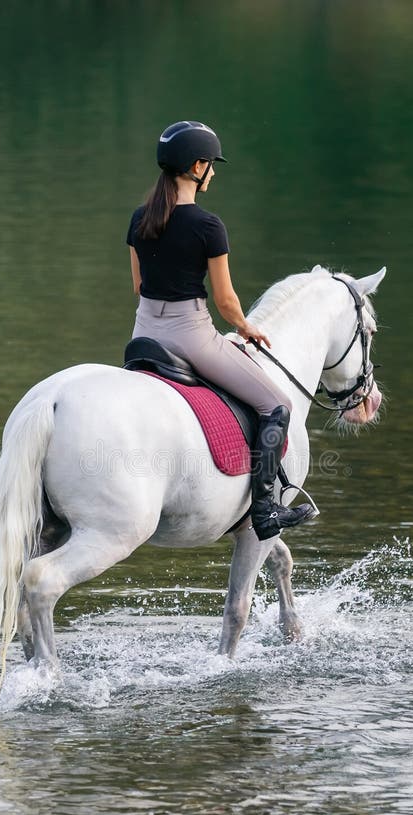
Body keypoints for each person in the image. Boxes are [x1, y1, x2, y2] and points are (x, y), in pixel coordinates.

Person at [126, 120, 315, 540]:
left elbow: (139, 286)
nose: (213, 172)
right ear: (197, 167)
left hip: (143, 333)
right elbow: (227, 303)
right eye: (211, 164)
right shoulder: (208, 226)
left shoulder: (140, 219)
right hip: (190, 335)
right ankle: (265, 511)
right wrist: (247, 328)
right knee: (276, 405)